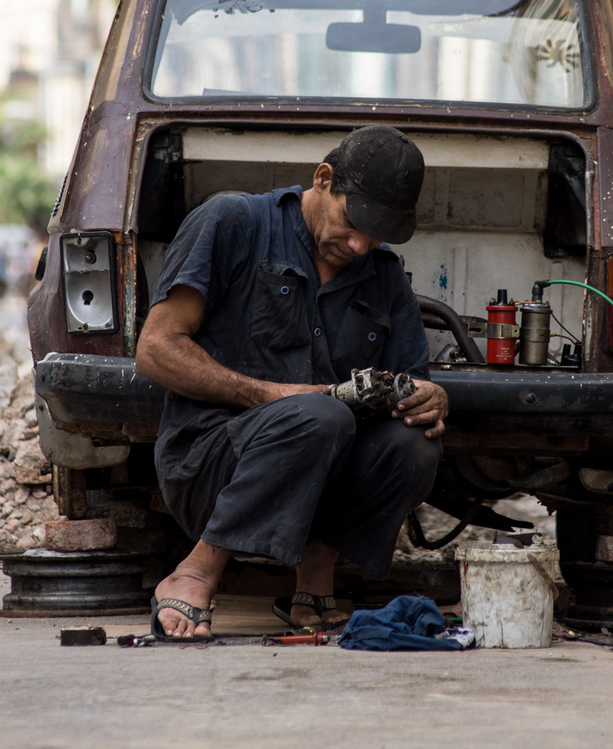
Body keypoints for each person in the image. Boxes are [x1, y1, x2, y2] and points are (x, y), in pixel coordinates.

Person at [136, 125, 448, 640]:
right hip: (212, 464)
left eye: (376, 235)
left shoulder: (384, 275)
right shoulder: (232, 222)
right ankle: (194, 571)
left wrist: (431, 398)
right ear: (323, 180)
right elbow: (155, 348)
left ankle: (315, 576)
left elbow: (412, 384)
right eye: (354, 222)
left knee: (412, 444)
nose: (359, 244)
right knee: (320, 414)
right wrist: (274, 396)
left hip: (320, 470)